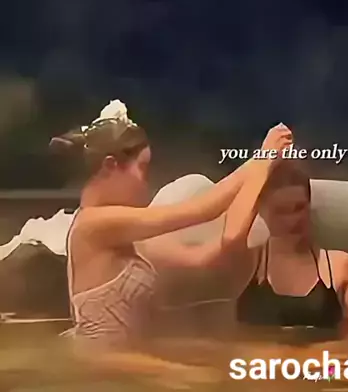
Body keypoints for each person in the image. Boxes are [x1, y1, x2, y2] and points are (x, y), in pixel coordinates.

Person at [53, 100, 292, 350]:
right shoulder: (94, 224)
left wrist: (258, 179)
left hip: (126, 353)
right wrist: (262, 158)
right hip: (101, 359)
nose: (145, 182)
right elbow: (203, 209)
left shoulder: (128, 237)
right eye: (143, 168)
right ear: (110, 166)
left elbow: (206, 257)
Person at [231, 159, 348, 343]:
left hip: (321, 361)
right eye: (281, 211)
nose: (292, 220)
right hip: (259, 361)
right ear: (261, 211)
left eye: (299, 208)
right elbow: (229, 236)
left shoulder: (338, 266)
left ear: (309, 205)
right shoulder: (248, 263)